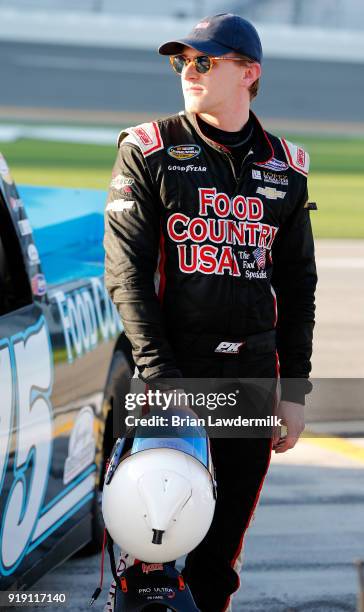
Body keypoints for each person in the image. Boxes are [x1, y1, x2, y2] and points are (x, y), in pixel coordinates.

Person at [103, 13, 317, 611]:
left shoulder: (287, 167)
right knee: (149, 554)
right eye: (182, 62)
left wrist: (293, 390)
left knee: (218, 558)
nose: (188, 72)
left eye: (204, 61)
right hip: (171, 371)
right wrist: (162, 378)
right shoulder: (148, 149)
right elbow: (125, 276)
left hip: (250, 375)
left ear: (248, 74)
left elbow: (299, 285)